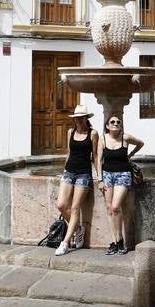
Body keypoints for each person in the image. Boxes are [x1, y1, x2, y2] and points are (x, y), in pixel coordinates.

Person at [54, 103, 101, 256]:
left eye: (81, 118)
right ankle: (79, 229)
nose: (78, 121)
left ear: (86, 118)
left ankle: (65, 243)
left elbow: (95, 156)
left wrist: (99, 176)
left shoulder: (93, 134)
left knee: (75, 208)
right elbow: (69, 153)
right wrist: (63, 171)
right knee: (61, 205)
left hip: (83, 174)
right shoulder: (70, 132)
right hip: (69, 172)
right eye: (76, 118)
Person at [98, 114, 144, 255]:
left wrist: (130, 155)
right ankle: (114, 242)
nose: (116, 123)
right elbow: (98, 160)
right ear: (107, 125)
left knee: (116, 206)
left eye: (118, 122)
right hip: (107, 175)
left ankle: (120, 238)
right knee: (109, 209)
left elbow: (141, 143)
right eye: (112, 122)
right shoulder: (102, 139)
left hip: (123, 174)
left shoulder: (125, 138)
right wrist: (99, 179)